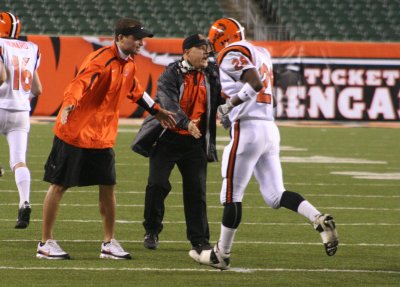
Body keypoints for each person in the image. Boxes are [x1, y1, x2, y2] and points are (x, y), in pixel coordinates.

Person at [189, 18, 339, 270]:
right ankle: (318, 218)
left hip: (248, 129)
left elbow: (254, 82)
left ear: (221, 38)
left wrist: (230, 105)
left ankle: (221, 254)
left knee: (231, 195)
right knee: (274, 194)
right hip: (268, 127)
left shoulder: (230, 51)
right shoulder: (262, 52)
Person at [36, 18, 176, 260]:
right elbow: (79, 84)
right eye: (137, 38)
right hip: (76, 131)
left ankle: (109, 242)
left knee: (108, 186)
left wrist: (157, 110)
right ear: (120, 38)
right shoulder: (101, 59)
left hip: (102, 135)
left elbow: (135, 90)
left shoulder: (129, 63)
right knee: (59, 185)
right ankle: (45, 242)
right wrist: (69, 105)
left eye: (143, 38)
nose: (142, 42)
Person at [131, 34, 223, 253]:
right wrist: (186, 122)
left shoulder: (212, 73)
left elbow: (222, 97)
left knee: (196, 192)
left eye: (207, 48)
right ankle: (152, 230)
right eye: (201, 48)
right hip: (167, 138)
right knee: (157, 184)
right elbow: (167, 102)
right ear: (187, 52)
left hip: (195, 141)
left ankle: (199, 240)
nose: (207, 52)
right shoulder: (170, 73)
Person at [0, 12, 42, 229]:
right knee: (18, 160)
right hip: (21, 111)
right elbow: (38, 89)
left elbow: (1, 77)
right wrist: (21, 98)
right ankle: (24, 201)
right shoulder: (32, 48)